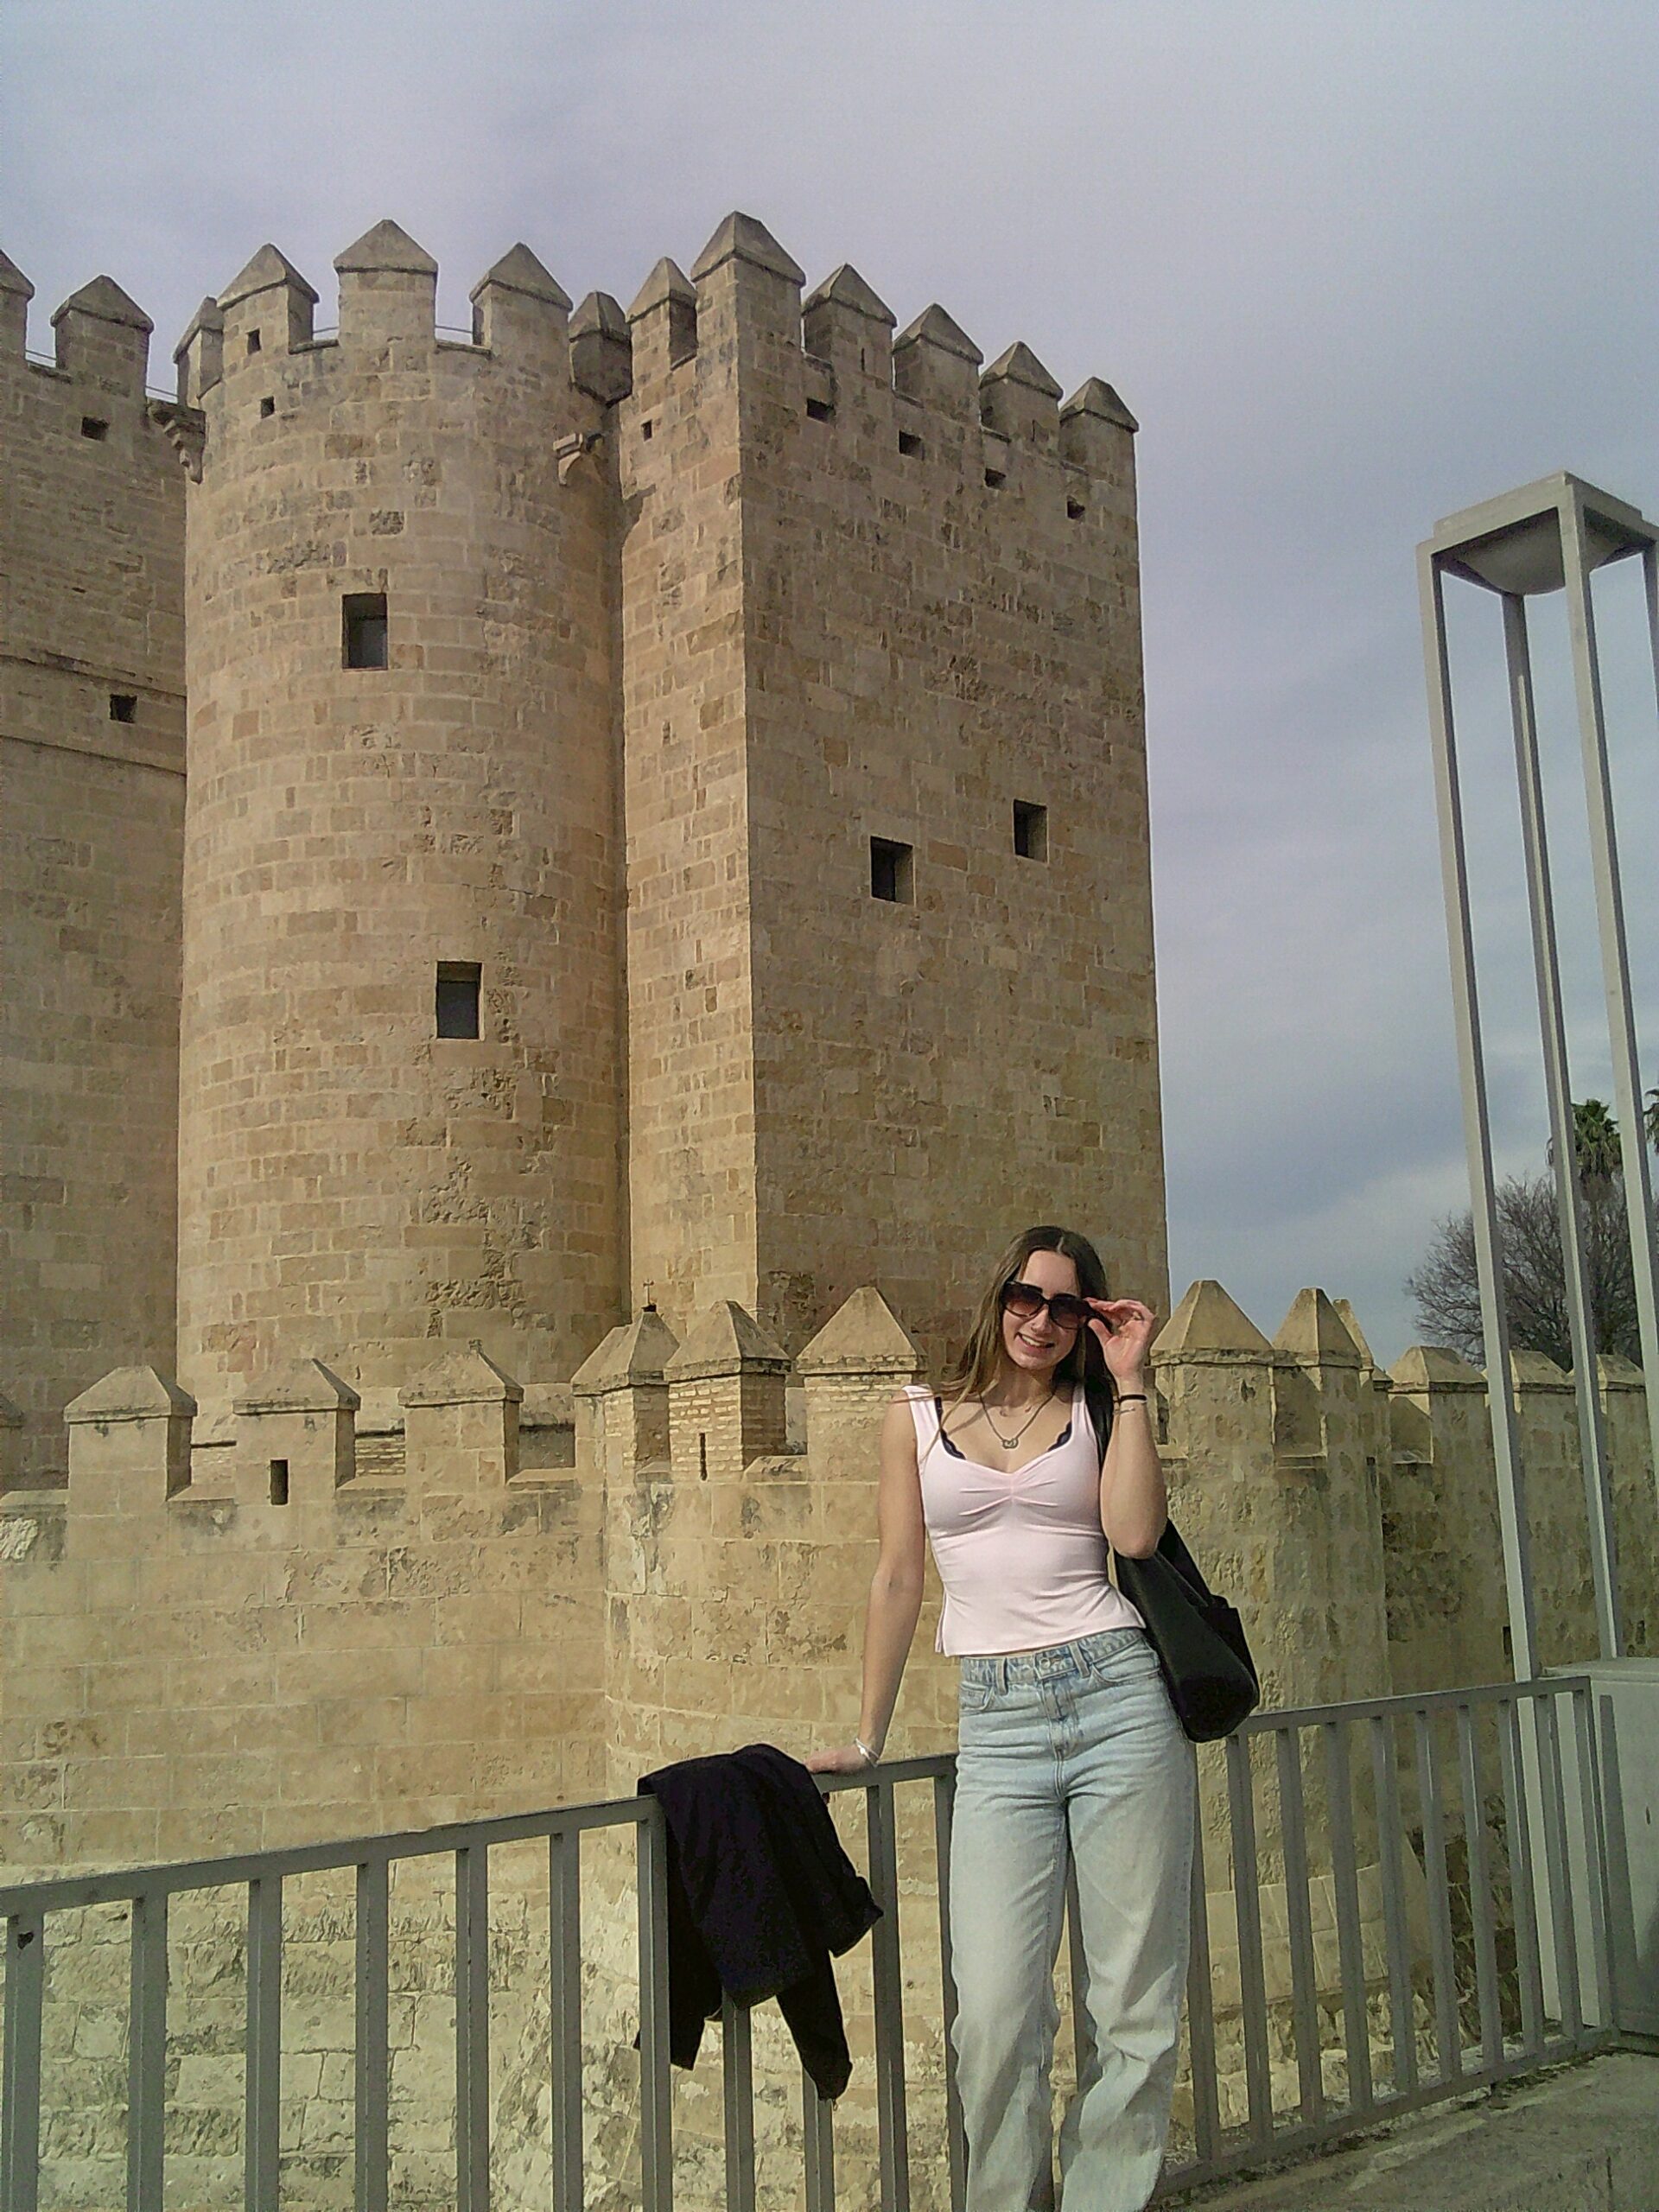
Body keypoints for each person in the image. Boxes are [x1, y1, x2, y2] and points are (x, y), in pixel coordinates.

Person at [809, 1225, 1195, 2212]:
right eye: (1030, 1297)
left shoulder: (1101, 1408)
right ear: (1001, 1295)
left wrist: (1133, 1376)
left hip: (1117, 1700)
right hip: (1000, 1724)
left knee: (1132, 2006)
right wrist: (868, 1734)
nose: (1043, 1320)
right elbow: (898, 1576)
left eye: (1069, 1307)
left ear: (1088, 1320)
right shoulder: (917, 1415)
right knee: (992, 2010)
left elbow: (1135, 1534)